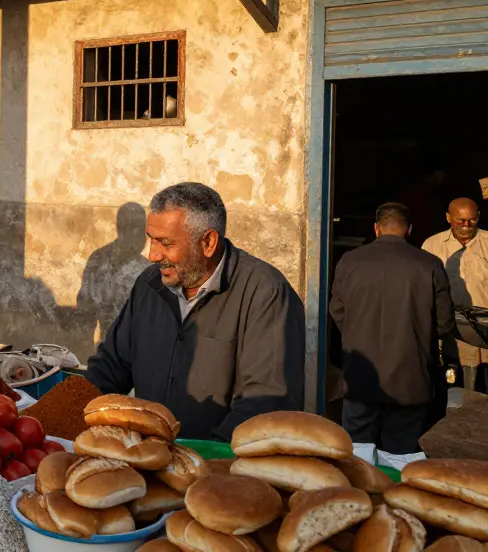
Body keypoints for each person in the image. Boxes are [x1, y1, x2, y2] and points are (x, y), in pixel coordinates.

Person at [86, 182, 306, 441]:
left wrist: (203, 459)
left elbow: (266, 403)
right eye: (151, 239)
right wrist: (66, 413)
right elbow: (110, 368)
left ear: (208, 242)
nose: (153, 254)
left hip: (222, 471)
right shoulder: (149, 284)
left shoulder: (265, 293)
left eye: (165, 243)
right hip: (151, 462)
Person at [329, 202, 454, 454]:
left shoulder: (350, 261)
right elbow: (444, 323)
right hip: (410, 378)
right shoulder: (429, 264)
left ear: (376, 228)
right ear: (409, 230)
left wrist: (358, 334)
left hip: (361, 376)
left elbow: (337, 310)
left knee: (357, 457)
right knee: (400, 455)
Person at [422, 198, 488, 380]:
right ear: (448, 218)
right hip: (451, 333)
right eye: (460, 220)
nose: (466, 225)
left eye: (472, 220)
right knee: (452, 391)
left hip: (485, 331)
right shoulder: (432, 245)